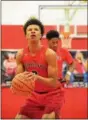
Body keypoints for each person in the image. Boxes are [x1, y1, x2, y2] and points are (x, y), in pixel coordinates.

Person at [12, 18, 64, 119]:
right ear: (26, 35)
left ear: (40, 35)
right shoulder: (20, 54)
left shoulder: (49, 54)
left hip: (53, 94)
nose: (32, 31)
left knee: (47, 118)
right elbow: (19, 77)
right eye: (29, 29)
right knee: (19, 118)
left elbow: (53, 82)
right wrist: (16, 84)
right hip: (34, 95)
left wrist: (35, 77)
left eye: (36, 29)